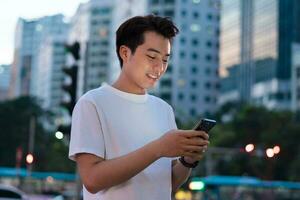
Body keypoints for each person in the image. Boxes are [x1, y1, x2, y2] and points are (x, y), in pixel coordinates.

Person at [69, 15, 210, 200]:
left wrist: (188, 160)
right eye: (152, 56)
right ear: (125, 53)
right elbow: (92, 180)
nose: (159, 68)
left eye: (165, 59)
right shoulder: (92, 103)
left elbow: (170, 184)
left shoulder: (164, 109)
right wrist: (158, 148)